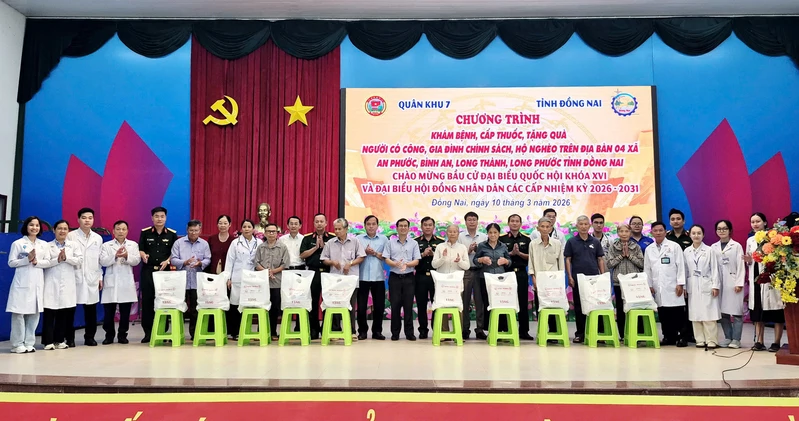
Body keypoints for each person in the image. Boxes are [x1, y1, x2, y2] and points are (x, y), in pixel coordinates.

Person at [7, 216, 52, 353]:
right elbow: (11, 262)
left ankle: (29, 342)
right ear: (26, 226)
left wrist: (37, 262)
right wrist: (27, 259)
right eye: (31, 225)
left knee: (34, 314)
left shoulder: (44, 244)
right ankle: (17, 344)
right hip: (22, 283)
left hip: (37, 283)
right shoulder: (18, 243)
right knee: (19, 314)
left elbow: (48, 262)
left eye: (37, 225)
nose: (34, 228)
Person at [138, 206, 178, 343]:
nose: (159, 219)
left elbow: (175, 253)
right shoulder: (145, 233)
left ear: (165, 218)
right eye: (156, 216)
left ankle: (163, 331)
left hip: (164, 273)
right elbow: (140, 249)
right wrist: (143, 254)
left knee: (164, 301)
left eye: (162, 216)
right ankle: (148, 333)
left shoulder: (172, 234)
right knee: (147, 302)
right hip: (148, 271)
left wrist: (168, 260)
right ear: (152, 218)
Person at [644, 221, 688, 347]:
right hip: (658, 286)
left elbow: (681, 266)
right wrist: (649, 285)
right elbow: (647, 269)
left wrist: (680, 284)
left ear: (665, 232)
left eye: (660, 230)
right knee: (663, 313)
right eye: (655, 230)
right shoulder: (649, 249)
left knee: (677, 313)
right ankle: (668, 337)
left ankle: (682, 337)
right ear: (652, 232)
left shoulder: (674, 246)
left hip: (673, 285)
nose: (658, 233)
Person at [321, 218, 366, 339]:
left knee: (350, 306)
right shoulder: (330, 243)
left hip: (350, 280)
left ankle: (351, 331)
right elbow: (324, 259)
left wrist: (350, 263)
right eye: (335, 229)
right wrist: (332, 262)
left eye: (339, 229)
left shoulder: (355, 241)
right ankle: (336, 331)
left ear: (346, 229)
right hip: (335, 280)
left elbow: (361, 256)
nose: (337, 231)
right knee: (335, 305)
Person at [99, 220, 141, 345]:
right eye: (118, 229)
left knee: (125, 312)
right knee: (109, 312)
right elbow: (103, 261)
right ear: (113, 231)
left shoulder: (133, 245)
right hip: (111, 281)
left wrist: (127, 256)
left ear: (127, 231)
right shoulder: (106, 245)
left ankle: (122, 335)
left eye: (123, 229)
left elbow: (136, 260)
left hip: (126, 282)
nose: (121, 231)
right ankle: (109, 335)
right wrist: (115, 256)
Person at [564, 215, 606, 343]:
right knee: (579, 306)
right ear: (577, 226)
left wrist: (602, 276)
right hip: (578, 279)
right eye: (581, 224)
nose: (583, 226)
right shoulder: (571, 242)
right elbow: (568, 259)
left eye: (585, 224)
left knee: (596, 305)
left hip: (594, 279)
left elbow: (600, 259)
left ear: (589, 226)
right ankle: (580, 333)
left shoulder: (595, 242)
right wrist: (569, 276)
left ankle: (599, 333)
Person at [746, 212, 784, 352]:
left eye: (758, 221)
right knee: (758, 310)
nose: (755, 224)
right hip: (756, 278)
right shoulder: (750, 240)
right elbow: (750, 259)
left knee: (776, 311)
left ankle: (776, 342)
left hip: (771, 278)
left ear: (765, 222)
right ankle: (759, 341)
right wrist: (749, 261)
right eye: (753, 222)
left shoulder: (773, 237)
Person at [67, 207, 104, 347]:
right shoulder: (71, 236)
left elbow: (99, 260)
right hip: (74, 276)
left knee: (91, 310)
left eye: (90, 218)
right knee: (70, 309)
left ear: (93, 220)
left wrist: (100, 277)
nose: (87, 220)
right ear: (78, 220)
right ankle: (69, 338)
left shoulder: (97, 238)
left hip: (92, 277)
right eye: (84, 218)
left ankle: (90, 337)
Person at [42, 220, 81, 350]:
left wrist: (66, 258)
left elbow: (79, 260)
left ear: (68, 231)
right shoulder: (47, 246)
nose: (62, 231)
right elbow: (45, 262)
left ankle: (59, 340)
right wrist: (57, 259)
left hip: (68, 282)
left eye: (65, 229)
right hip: (51, 282)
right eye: (59, 228)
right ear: (54, 230)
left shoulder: (73, 245)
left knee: (63, 312)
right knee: (49, 313)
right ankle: (48, 341)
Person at [170, 220, 211, 340]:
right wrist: (184, 262)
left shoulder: (204, 244)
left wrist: (200, 263)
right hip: (181, 281)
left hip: (196, 281)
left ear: (200, 230)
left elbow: (208, 259)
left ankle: (195, 334)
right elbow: (173, 259)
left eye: (196, 230)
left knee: (195, 309)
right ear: (187, 230)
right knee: (179, 308)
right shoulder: (178, 243)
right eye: (191, 230)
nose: (193, 233)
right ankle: (178, 333)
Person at [223, 219, 262, 340]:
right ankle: (234, 332)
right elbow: (230, 261)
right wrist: (228, 277)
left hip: (253, 278)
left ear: (253, 229)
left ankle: (247, 331)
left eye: (249, 227)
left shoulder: (259, 242)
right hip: (237, 277)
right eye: (244, 227)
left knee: (249, 304)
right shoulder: (235, 243)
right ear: (241, 229)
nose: (246, 229)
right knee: (235, 304)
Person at [605, 223, 644, 340]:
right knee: (621, 308)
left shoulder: (636, 247)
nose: (624, 234)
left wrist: (630, 256)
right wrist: (621, 256)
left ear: (630, 233)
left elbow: (642, 264)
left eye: (626, 231)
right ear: (617, 233)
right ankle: (622, 334)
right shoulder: (613, 247)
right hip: (619, 282)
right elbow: (609, 264)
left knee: (635, 308)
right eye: (621, 231)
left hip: (633, 282)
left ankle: (637, 333)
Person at [684, 224, 720, 348]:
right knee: (695, 313)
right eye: (693, 233)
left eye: (699, 233)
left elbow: (714, 269)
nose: (696, 235)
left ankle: (711, 340)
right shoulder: (687, 251)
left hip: (706, 283)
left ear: (703, 235)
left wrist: (715, 286)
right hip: (693, 284)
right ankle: (699, 339)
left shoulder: (709, 250)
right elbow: (685, 270)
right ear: (689, 235)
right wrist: (684, 287)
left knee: (709, 313)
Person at [299, 213, 335, 339]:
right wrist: (315, 248)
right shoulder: (307, 238)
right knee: (313, 302)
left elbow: (335, 255)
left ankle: (326, 328)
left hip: (327, 272)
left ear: (326, 223)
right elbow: (302, 255)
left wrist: (325, 247)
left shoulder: (332, 238)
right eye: (317, 221)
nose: (319, 224)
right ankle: (313, 329)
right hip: (313, 273)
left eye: (321, 221)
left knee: (328, 301)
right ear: (314, 223)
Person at [384, 218, 421, 341]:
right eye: (401, 226)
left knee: (408, 306)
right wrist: (395, 264)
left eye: (405, 226)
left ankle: (409, 333)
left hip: (409, 278)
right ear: (397, 228)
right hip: (395, 277)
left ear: (408, 228)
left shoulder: (414, 243)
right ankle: (395, 333)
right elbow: (386, 258)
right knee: (395, 305)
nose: (403, 228)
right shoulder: (390, 243)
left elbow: (417, 260)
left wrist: (407, 265)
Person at [711, 220, 745, 349]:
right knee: (723, 312)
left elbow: (741, 266)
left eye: (725, 228)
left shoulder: (736, 246)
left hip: (733, 281)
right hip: (719, 282)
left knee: (736, 312)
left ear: (730, 230)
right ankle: (728, 337)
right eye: (719, 229)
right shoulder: (713, 247)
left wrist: (739, 283)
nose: (722, 231)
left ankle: (736, 339)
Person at [528, 217, 565, 336]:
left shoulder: (557, 243)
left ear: (551, 228)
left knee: (553, 306)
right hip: (539, 280)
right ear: (538, 228)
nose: (544, 229)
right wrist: (533, 278)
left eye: (547, 227)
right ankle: (542, 332)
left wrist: (560, 280)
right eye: (542, 226)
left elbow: (561, 264)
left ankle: (553, 331)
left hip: (553, 282)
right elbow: (531, 263)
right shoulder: (533, 244)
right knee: (541, 307)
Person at [431, 223, 470, 335]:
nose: (452, 234)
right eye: (450, 232)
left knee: (458, 307)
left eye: (455, 232)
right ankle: (444, 332)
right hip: (442, 283)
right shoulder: (440, 247)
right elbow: (434, 264)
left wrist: (460, 261)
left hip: (456, 284)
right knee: (442, 307)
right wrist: (443, 258)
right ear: (446, 233)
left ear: (458, 234)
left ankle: (458, 333)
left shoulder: (462, 248)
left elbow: (467, 266)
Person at [473, 223, 512, 332]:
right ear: (487, 234)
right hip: (485, 278)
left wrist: (506, 261)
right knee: (487, 303)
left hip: (500, 279)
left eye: (495, 232)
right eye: (490, 232)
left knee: (500, 302)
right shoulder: (482, 246)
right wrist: (481, 260)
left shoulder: (503, 246)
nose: (493, 235)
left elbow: (509, 261)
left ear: (499, 233)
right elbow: (475, 260)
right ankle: (490, 329)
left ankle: (502, 329)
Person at [499, 214, 532, 339]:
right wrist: (511, 254)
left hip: (521, 273)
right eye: (512, 221)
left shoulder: (527, 239)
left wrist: (519, 254)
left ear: (521, 224)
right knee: (505, 301)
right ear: (508, 223)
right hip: (506, 273)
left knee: (522, 302)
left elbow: (531, 257)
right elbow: (498, 256)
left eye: (517, 221)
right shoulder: (501, 239)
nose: (514, 223)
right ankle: (504, 329)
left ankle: (524, 331)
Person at [254, 223, 290, 339]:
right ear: (265, 233)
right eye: (269, 231)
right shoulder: (261, 247)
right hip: (263, 282)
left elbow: (285, 264)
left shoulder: (282, 247)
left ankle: (273, 332)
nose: (271, 233)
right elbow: (256, 263)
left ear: (277, 233)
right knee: (262, 307)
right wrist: (265, 271)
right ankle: (261, 331)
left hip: (277, 281)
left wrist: (272, 271)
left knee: (275, 308)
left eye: (273, 231)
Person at [356, 215, 388, 340]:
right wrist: (364, 252)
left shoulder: (384, 239)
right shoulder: (358, 239)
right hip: (362, 276)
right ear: (364, 225)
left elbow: (386, 257)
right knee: (361, 306)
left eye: (373, 224)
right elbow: (355, 255)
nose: (371, 226)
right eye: (368, 224)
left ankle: (377, 331)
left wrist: (374, 253)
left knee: (379, 306)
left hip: (378, 277)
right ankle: (362, 331)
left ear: (377, 226)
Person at [457, 211, 487, 340]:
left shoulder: (484, 237)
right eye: (469, 219)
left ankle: (480, 329)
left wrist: (477, 251)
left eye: (474, 219)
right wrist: (468, 251)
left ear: (477, 222)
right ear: (465, 222)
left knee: (480, 301)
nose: (472, 222)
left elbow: (487, 253)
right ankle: (465, 329)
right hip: (466, 271)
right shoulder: (460, 237)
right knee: (465, 301)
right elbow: (457, 254)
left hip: (480, 271)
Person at [415, 216, 444, 340]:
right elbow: (412, 258)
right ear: (421, 227)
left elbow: (443, 259)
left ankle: (436, 328)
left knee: (436, 303)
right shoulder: (415, 242)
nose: (428, 227)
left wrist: (434, 255)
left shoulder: (441, 242)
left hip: (435, 277)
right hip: (420, 276)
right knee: (421, 305)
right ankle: (423, 330)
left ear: (434, 227)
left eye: (430, 225)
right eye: (425, 225)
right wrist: (422, 254)